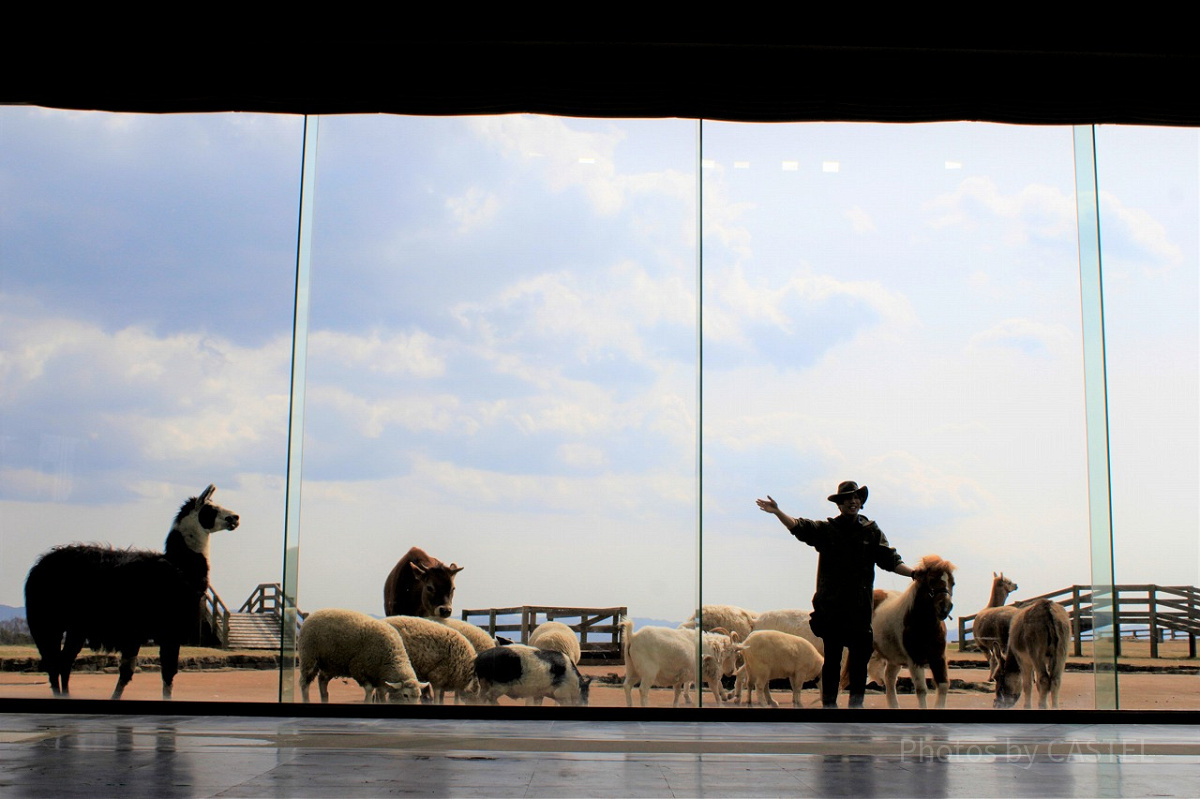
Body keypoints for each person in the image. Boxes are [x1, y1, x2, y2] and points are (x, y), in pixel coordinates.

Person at [756, 480, 913, 708]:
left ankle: (855, 707)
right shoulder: (828, 530)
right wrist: (778, 512)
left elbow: (890, 560)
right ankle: (829, 706)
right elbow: (800, 527)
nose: (853, 501)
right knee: (832, 661)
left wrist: (914, 574)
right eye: (847, 498)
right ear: (839, 505)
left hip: (860, 610)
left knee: (859, 663)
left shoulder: (871, 531)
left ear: (861, 502)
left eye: (856, 497)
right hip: (832, 610)